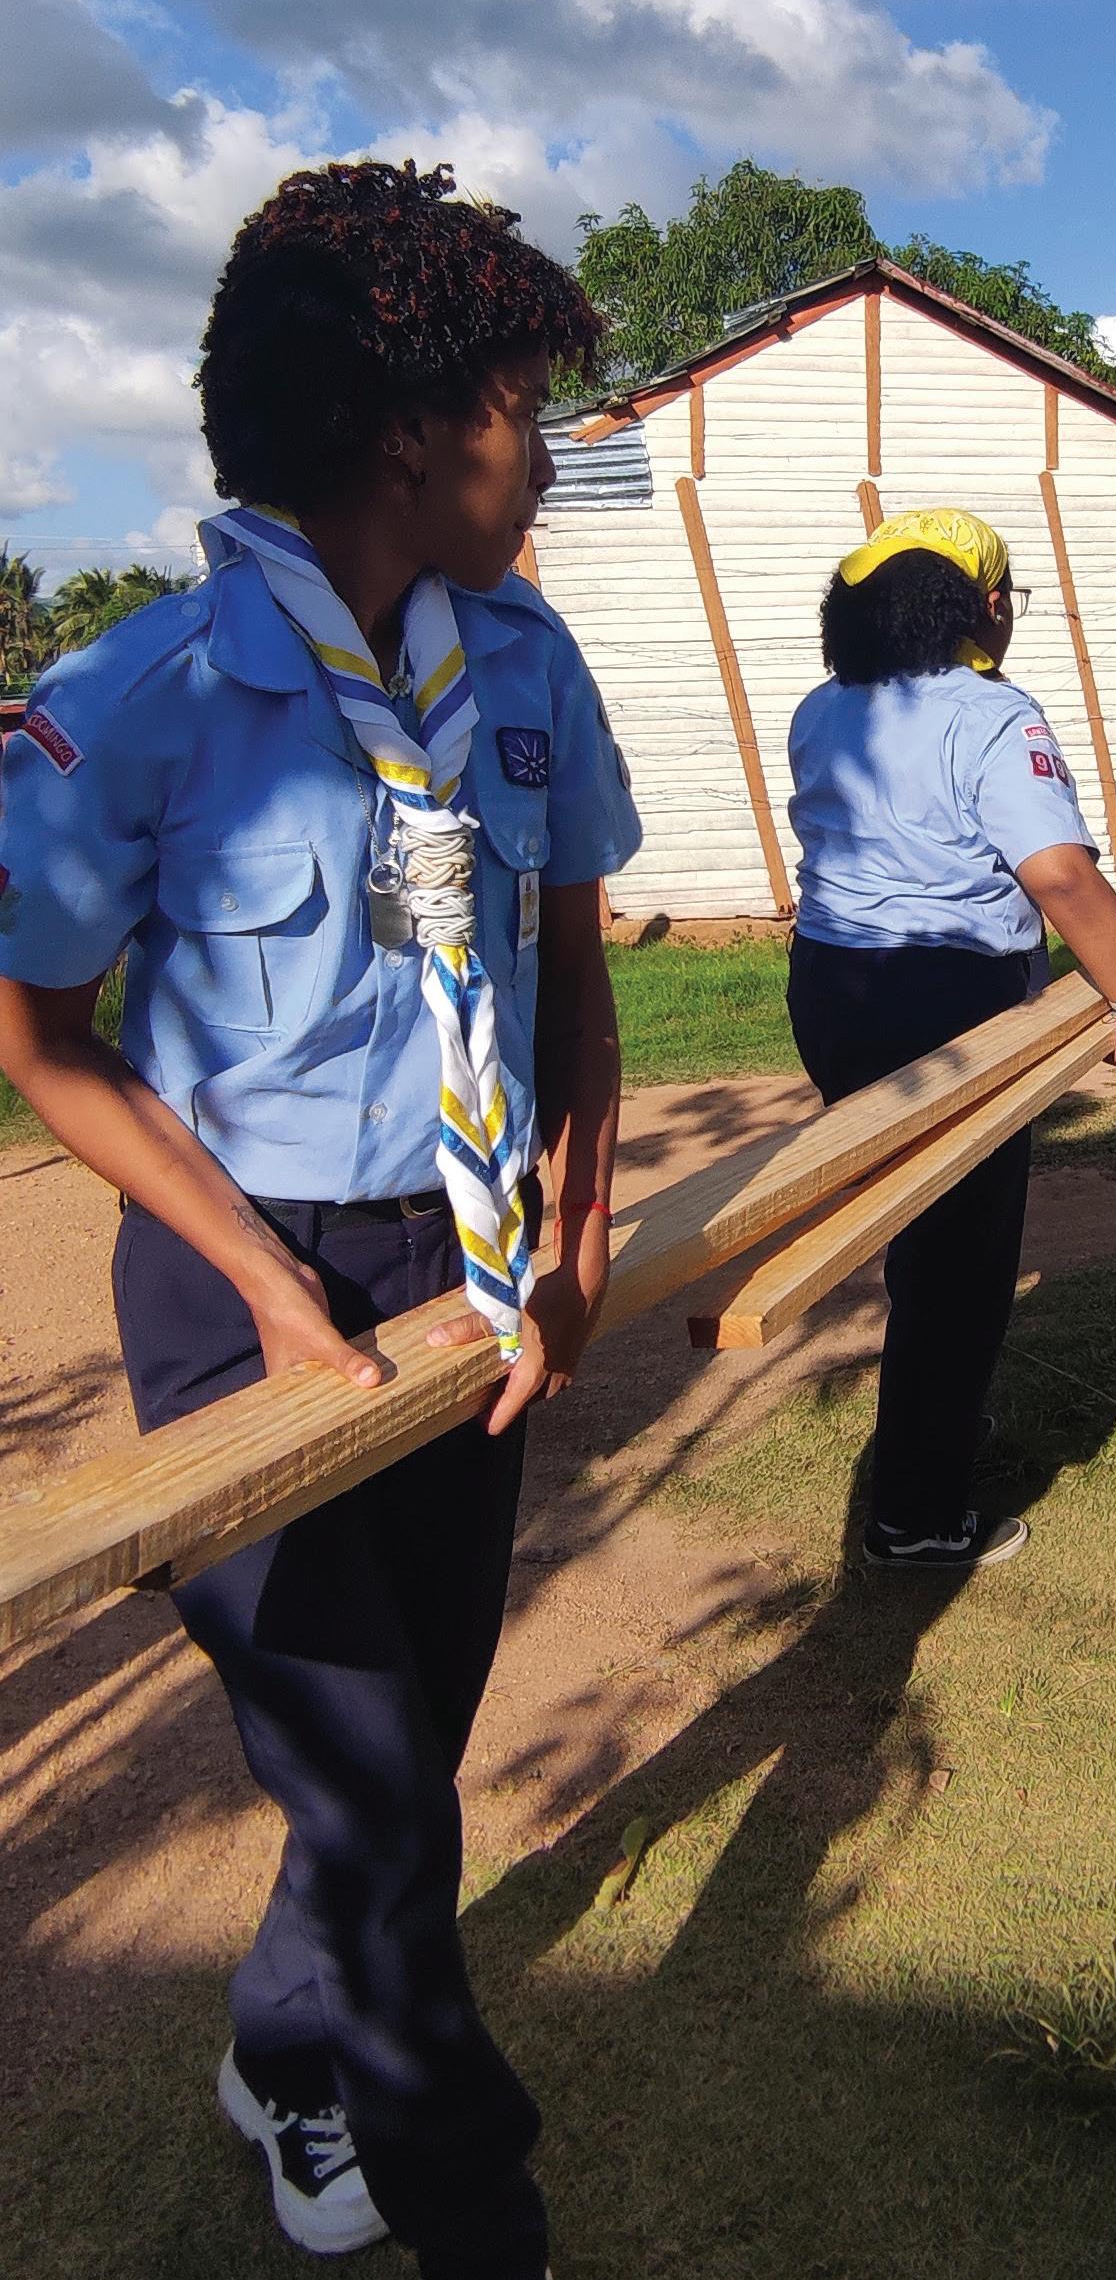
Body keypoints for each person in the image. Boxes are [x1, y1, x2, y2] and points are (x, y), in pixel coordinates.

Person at [0, 162, 641, 2280]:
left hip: (461, 1266)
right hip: (228, 1275)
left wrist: (573, 1216)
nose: (541, 454)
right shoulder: (144, 701)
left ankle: (285, 2043)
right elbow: (46, 1039)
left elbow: (571, 965)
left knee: (402, 1733)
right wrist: (272, 1294)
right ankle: (483, 2204)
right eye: (523, 408)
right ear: (409, 429)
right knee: (371, 1787)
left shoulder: (531, 670)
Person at [785, 508, 1116, 1573]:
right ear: (983, 607)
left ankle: (934, 1427)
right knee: (963, 1258)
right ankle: (917, 1512)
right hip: (950, 1000)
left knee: (921, 1223)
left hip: (831, 986)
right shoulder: (992, 714)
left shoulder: (823, 709)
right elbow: (1057, 874)